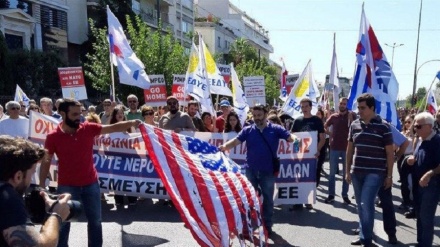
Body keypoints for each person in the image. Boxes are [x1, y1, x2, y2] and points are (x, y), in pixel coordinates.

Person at [38, 98, 142, 247]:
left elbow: (112, 128)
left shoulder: (88, 128)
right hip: (66, 186)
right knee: (63, 223)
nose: (79, 117)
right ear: (62, 113)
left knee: (95, 222)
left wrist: (132, 123)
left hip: (91, 184)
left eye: (80, 114)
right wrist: (42, 185)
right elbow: (46, 160)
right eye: (74, 114)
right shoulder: (53, 136)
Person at [219, 104, 298, 236]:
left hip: (268, 172)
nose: (256, 118)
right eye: (254, 116)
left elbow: (291, 138)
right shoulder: (248, 130)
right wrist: (223, 147)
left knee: (268, 200)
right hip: (251, 171)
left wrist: (297, 141)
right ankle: (247, 225)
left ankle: (267, 225)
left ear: (266, 114)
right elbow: (235, 142)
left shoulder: (276, 129)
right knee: (248, 199)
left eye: (259, 115)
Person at [0, 136, 71, 247]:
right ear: (18, 176)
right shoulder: (7, 196)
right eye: (32, 173)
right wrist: (56, 215)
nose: (32, 179)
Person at [345, 93, 394, 247]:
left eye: (363, 108)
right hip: (357, 171)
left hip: (375, 172)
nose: (359, 111)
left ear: (372, 108)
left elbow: (389, 153)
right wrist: (347, 171)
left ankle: (366, 240)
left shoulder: (384, 127)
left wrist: (390, 176)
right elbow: (349, 149)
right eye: (358, 107)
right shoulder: (354, 125)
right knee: (360, 205)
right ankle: (363, 234)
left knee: (366, 204)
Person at [406, 112, 440, 247]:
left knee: (426, 217)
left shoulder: (437, 141)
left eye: (418, 126)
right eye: (415, 126)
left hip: (431, 184)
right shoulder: (421, 140)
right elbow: (418, 157)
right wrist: (412, 159)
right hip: (418, 184)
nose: (415, 128)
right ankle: (421, 242)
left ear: (429, 126)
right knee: (419, 215)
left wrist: (430, 174)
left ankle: (425, 244)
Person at [290, 98, 325, 210]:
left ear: (310, 107)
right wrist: (296, 152)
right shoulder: (297, 121)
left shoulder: (317, 120)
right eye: (302, 107)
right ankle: (298, 201)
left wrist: (317, 150)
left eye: (306, 106)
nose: (304, 109)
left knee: (310, 178)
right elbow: (293, 137)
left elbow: (322, 138)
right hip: (300, 155)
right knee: (298, 177)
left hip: (312, 155)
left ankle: (308, 200)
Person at [324, 97, 356, 204]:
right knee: (332, 173)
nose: (342, 105)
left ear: (347, 105)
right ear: (339, 104)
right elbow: (325, 126)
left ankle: (344, 195)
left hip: (347, 148)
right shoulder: (334, 117)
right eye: (341, 103)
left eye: (344, 104)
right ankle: (331, 195)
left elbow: (357, 128)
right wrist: (330, 134)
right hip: (334, 148)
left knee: (346, 174)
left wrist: (351, 119)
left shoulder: (352, 115)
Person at [110, 105, 138, 207]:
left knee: (130, 178)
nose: (120, 115)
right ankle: (119, 199)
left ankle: (132, 198)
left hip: (128, 157)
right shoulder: (110, 128)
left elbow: (136, 140)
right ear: (114, 116)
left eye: (121, 113)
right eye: (117, 113)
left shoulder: (129, 126)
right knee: (117, 179)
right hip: (115, 158)